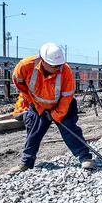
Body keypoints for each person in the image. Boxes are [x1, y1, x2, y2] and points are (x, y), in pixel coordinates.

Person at [8, 43, 93, 174]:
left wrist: (56, 114)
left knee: (70, 130)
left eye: (59, 65)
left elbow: (67, 96)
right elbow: (18, 82)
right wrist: (32, 101)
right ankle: (26, 163)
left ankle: (85, 157)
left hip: (62, 105)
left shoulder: (66, 71)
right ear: (42, 60)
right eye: (54, 66)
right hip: (38, 106)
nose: (57, 68)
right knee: (34, 133)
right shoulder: (25, 66)